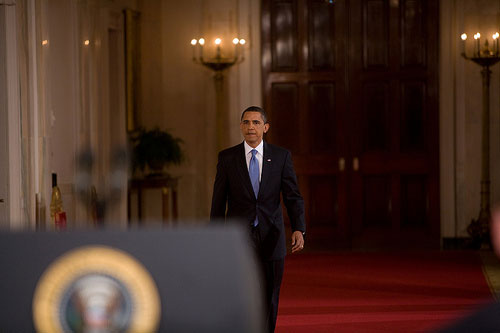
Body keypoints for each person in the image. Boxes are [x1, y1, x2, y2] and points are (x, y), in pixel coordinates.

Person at [210, 106, 306, 332]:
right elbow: (218, 200)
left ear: (265, 127)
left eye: (255, 122)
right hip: (239, 237)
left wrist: (299, 228)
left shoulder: (281, 156)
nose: (250, 127)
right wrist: (213, 236)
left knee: (270, 292)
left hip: (272, 234)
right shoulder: (227, 158)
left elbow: (292, 196)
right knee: (242, 290)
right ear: (241, 126)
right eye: (246, 122)